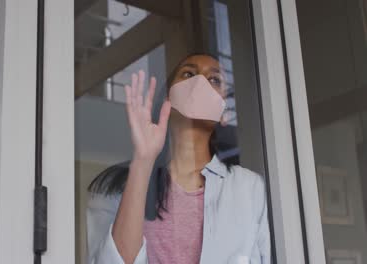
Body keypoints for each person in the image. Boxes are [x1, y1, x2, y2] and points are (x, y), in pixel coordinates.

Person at [86, 53, 270, 264]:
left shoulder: (250, 188)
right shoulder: (115, 186)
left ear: (224, 113)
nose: (199, 81)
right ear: (168, 100)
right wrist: (143, 160)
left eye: (214, 79)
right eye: (188, 74)